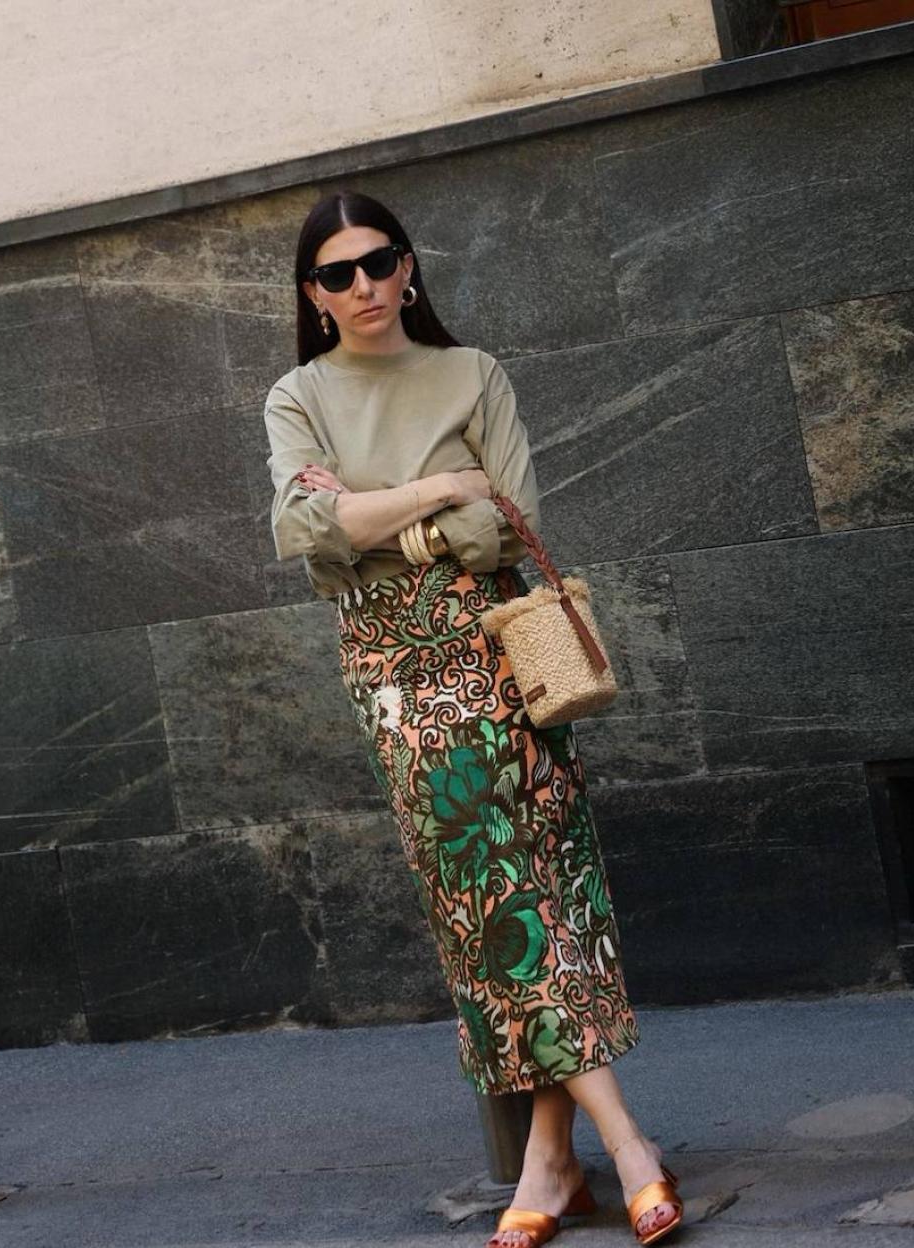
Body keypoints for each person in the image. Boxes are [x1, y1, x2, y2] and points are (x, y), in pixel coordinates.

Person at [262, 190, 683, 1247]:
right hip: (391, 674)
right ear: (314, 295)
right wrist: (436, 491)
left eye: (379, 262)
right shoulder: (298, 396)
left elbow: (503, 524)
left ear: (410, 268)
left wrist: (370, 515)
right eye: (338, 274)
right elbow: (303, 534)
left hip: (493, 647)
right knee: (480, 896)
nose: (363, 285)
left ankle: (565, 1161)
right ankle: (614, 1145)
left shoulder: (473, 374)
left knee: (533, 880)